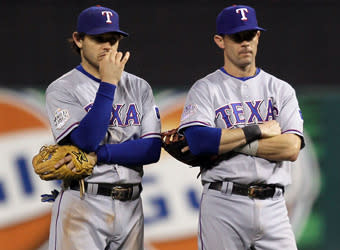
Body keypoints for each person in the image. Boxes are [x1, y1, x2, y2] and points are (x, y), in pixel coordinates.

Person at [178, 5, 304, 250]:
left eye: (249, 35)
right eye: (237, 37)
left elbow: (290, 148)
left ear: (257, 37)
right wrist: (256, 130)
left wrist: (227, 141)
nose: (245, 42)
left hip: (274, 206)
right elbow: (199, 141)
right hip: (224, 203)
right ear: (220, 41)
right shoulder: (206, 89)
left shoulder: (280, 89)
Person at [44, 5, 161, 250]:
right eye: (99, 39)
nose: (107, 46)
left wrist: (100, 155)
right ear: (78, 40)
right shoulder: (62, 88)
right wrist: (108, 83)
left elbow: (151, 149)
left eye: (113, 39)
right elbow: (86, 141)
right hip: (83, 203)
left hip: (131, 205)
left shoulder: (140, 87)